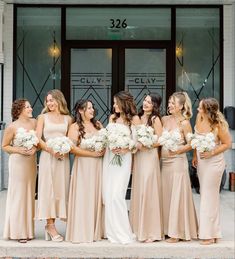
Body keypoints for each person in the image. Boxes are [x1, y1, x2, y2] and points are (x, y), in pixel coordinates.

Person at [102, 91, 140, 244]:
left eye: (116, 103)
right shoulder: (113, 118)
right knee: (109, 195)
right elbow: (106, 136)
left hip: (124, 159)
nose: (114, 106)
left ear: (124, 103)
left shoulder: (134, 120)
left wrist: (126, 148)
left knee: (118, 195)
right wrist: (111, 145)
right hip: (110, 159)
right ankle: (112, 232)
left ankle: (123, 232)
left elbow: (137, 142)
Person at [192, 98, 231, 245]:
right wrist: (195, 156)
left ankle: (209, 233)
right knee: (206, 195)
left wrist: (212, 152)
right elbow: (196, 139)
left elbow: (227, 144)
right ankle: (210, 231)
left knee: (209, 196)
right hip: (202, 162)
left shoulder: (218, 125)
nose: (198, 110)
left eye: (200, 108)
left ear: (208, 110)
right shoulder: (199, 117)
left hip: (214, 163)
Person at [161, 92, 198, 242]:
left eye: (173, 103)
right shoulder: (164, 119)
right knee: (167, 195)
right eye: (169, 102)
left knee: (177, 195)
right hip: (165, 163)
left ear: (181, 106)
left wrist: (179, 150)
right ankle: (166, 228)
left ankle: (177, 232)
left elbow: (191, 143)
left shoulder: (185, 123)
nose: (170, 105)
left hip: (177, 162)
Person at [66, 100, 105, 243]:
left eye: (92, 107)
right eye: (89, 108)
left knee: (96, 194)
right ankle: (82, 230)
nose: (92, 110)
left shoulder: (98, 125)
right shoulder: (74, 127)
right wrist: (92, 154)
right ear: (81, 111)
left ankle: (96, 230)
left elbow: (105, 141)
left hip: (98, 166)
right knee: (83, 195)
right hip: (83, 165)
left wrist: (103, 150)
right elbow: (72, 148)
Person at [36, 89, 72, 242]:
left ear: (59, 100)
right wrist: (51, 150)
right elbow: (37, 139)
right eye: (47, 101)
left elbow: (70, 140)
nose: (49, 103)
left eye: (52, 100)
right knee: (48, 189)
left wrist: (65, 150)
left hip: (63, 159)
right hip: (47, 157)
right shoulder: (42, 117)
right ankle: (50, 225)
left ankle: (55, 222)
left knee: (60, 189)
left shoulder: (68, 119)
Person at [2, 99, 37, 243]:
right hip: (18, 163)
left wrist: (35, 148)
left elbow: (39, 141)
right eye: (27, 107)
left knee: (29, 195)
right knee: (18, 196)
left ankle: (28, 230)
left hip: (31, 162)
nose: (30, 109)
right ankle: (17, 232)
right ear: (19, 110)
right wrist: (19, 150)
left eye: (30, 106)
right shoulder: (12, 127)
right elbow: (4, 146)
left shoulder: (34, 123)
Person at [130, 93, 163, 242]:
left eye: (149, 102)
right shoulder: (137, 118)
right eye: (144, 100)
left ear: (155, 105)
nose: (145, 104)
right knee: (139, 190)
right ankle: (138, 229)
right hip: (138, 157)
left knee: (148, 190)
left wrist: (147, 143)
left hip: (150, 156)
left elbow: (161, 139)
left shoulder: (155, 119)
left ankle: (151, 231)